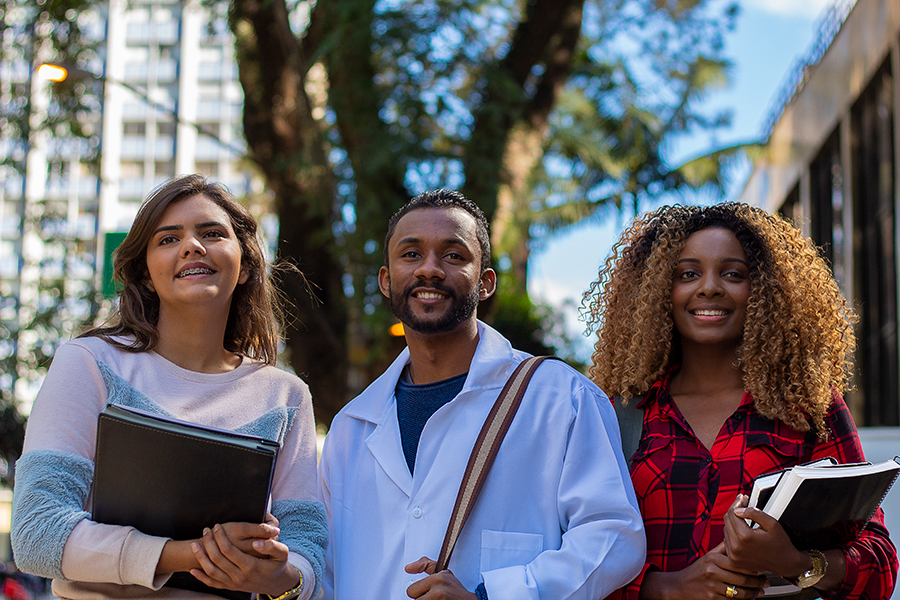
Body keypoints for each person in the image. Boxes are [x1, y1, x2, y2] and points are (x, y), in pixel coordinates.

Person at [317, 189, 645, 600]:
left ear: (485, 282)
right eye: (411, 254)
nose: (430, 270)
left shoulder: (561, 397)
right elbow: (327, 573)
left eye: (454, 255)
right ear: (386, 280)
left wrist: (495, 595)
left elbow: (613, 536)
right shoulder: (350, 427)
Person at [11, 175, 327, 600]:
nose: (192, 245)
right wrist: (190, 554)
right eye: (168, 239)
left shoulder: (286, 397)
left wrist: (281, 580)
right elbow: (36, 534)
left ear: (246, 265)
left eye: (212, 233)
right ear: (144, 272)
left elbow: (307, 550)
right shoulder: (89, 363)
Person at [584, 203, 898, 600]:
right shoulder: (619, 414)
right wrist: (667, 587)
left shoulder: (809, 406)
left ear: (765, 291)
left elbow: (880, 560)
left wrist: (797, 563)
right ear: (659, 290)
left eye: (733, 274)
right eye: (688, 274)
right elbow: (575, 556)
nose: (710, 287)